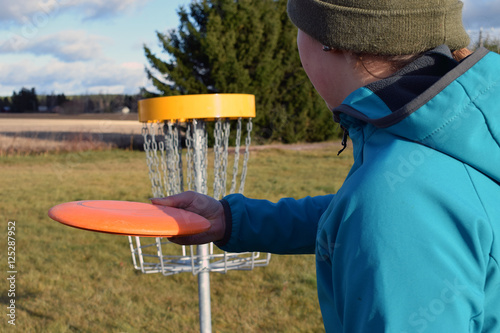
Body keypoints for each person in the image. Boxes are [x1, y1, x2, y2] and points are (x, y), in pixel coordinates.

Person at [152, 0, 500, 331]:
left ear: (333, 42)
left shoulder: (396, 203)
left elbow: (386, 217)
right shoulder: (461, 131)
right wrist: (233, 220)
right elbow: (362, 215)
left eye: (300, 27)